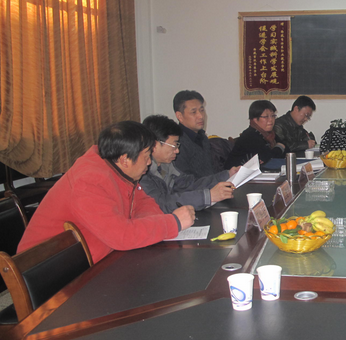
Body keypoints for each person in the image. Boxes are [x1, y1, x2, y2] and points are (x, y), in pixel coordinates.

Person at [17, 121, 195, 264]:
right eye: (147, 156)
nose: (149, 163)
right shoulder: (89, 181)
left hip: (96, 259)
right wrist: (173, 223)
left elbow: (144, 203)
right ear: (125, 159)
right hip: (49, 273)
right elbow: (122, 236)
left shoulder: (118, 167)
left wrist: (140, 226)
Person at [141, 115, 240, 213]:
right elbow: (163, 203)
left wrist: (227, 175)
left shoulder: (166, 166)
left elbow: (189, 184)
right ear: (155, 145)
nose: (177, 151)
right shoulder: (141, 174)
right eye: (174, 145)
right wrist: (208, 196)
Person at [224, 100, 286, 168]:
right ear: (255, 119)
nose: (271, 119)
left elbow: (287, 151)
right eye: (266, 117)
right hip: (237, 173)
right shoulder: (250, 136)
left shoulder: (270, 134)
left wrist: (278, 149)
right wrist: (279, 147)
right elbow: (267, 158)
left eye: (273, 116)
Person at [172, 90, 216, 179]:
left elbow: (210, 171)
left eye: (202, 110)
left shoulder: (202, 137)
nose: (201, 116)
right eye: (194, 112)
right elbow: (185, 180)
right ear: (180, 116)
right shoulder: (177, 143)